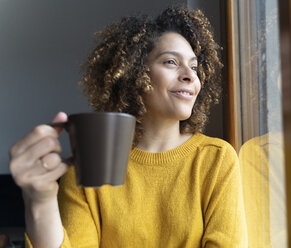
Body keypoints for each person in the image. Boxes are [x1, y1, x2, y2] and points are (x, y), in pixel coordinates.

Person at [8, 6, 247, 247]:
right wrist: (40, 203)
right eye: (171, 62)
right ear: (134, 74)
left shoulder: (216, 160)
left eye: (194, 67)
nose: (190, 76)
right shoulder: (87, 166)